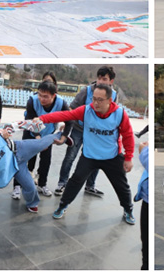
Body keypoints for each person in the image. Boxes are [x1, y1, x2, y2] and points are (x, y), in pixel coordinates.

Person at [21, 84, 136, 224]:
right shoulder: (87, 110)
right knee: (75, 181)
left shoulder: (120, 114)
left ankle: (128, 210)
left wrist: (129, 157)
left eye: (100, 100)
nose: (96, 103)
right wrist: (43, 119)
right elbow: (65, 115)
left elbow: (128, 136)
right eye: (94, 99)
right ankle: (63, 206)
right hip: (90, 156)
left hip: (111, 157)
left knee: (122, 186)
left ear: (109, 100)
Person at [55, 66, 118, 198]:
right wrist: (65, 122)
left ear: (111, 81)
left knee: (96, 159)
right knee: (70, 157)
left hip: (96, 133)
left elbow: (113, 113)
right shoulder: (87, 91)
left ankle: (90, 185)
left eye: (104, 79)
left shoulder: (114, 95)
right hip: (79, 130)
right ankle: (62, 183)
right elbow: (72, 107)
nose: (100, 81)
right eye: (99, 78)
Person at [12, 80, 72, 200]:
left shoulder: (61, 103)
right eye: (40, 94)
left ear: (53, 96)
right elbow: (30, 121)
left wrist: (63, 138)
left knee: (46, 160)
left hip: (48, 134)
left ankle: (42, 184)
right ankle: (17, 186)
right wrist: (38, 141)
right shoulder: (32, 101)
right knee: (23, 159)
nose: (41, 99)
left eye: (45, 96)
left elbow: (70, 120)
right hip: (31, 133)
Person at [135, 141, 149, 270]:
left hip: (148, 200)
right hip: (146, 196)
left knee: (146, 240)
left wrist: (144, 150)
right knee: (145, 240)